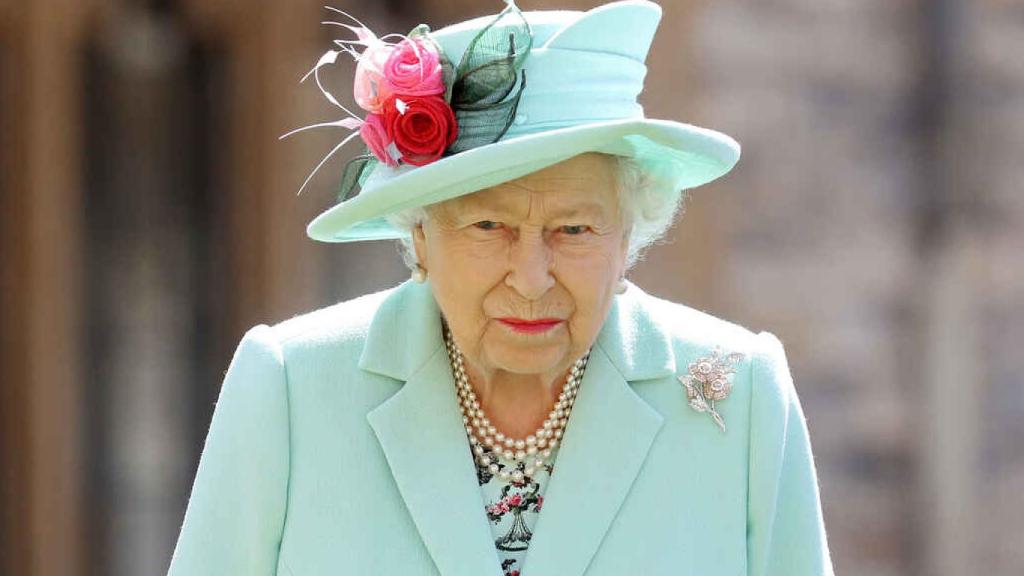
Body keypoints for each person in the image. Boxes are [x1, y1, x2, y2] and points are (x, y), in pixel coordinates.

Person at [167, 1, 834, 575]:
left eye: (574, 229)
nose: (532, 276)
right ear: (420, 236)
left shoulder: (739, 400)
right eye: (489, 225)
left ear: (627, 236)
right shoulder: (290, 390)